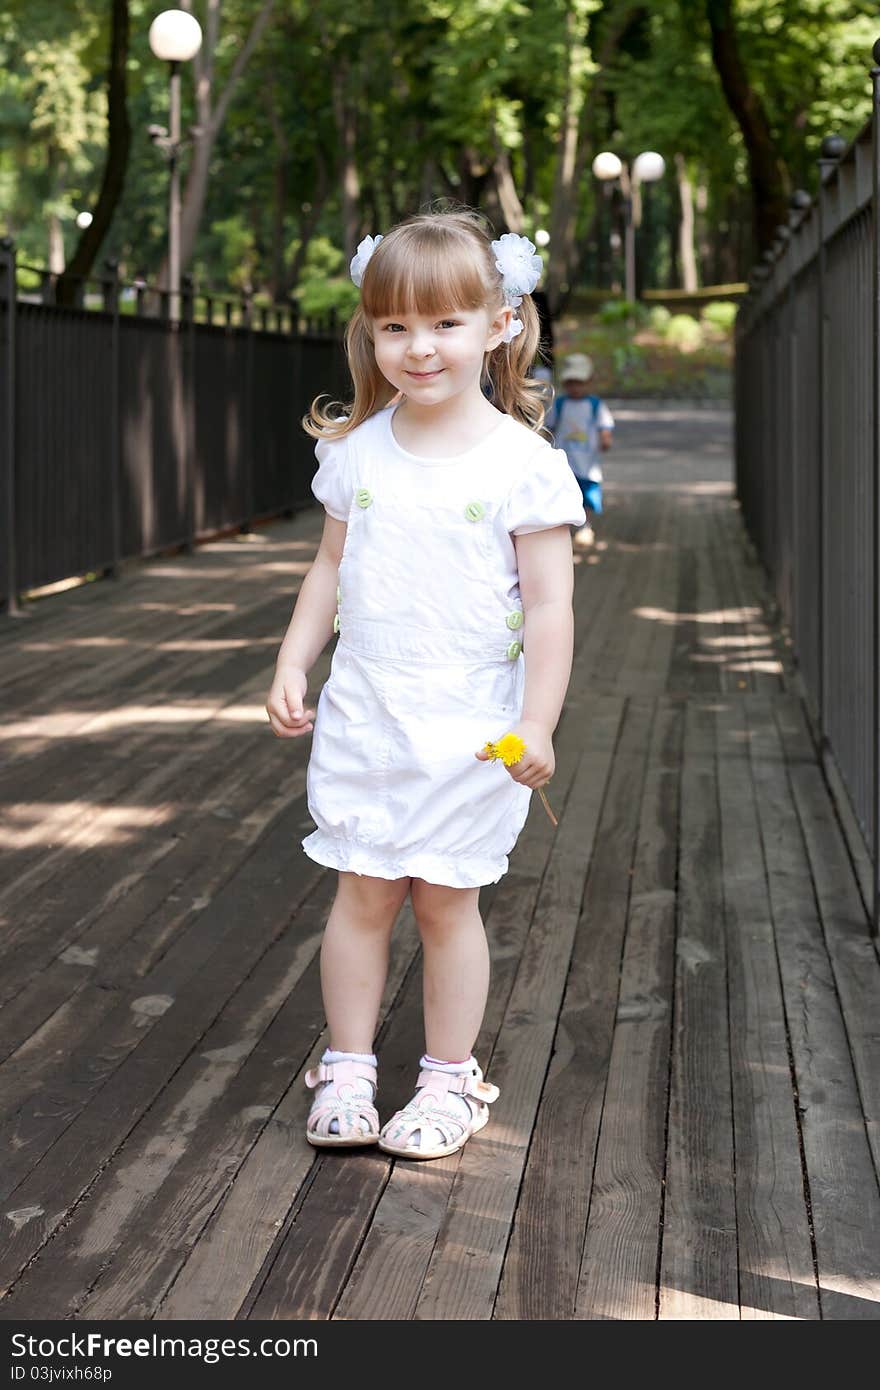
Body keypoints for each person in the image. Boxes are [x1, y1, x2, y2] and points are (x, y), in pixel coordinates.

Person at [265, 211, 585, 1161]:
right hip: (370, 714)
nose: (419, 347)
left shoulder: (523, 467)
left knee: (446, 901)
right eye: (395, 326)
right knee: (363, 892)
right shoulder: (357, 454)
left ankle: (450, 1078)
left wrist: (538, 721)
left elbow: (552, 609)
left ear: (501, 325)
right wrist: (294, 658)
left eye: (446, 323)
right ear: (371, 333)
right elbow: (329, 567)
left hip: (474, 727)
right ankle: (350, 1067)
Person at [544, 353, 614, 547]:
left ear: (589, 381)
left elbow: (604, 426)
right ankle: (564, 527)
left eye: (579, 382)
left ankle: (585, 526)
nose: (575, 387)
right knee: (563, 492)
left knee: (587, 495)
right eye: (571, 383)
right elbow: (549, 426)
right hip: (564, 460)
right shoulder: (560, 403)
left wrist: (605, 439)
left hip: (587, 461)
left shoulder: (595, 405)